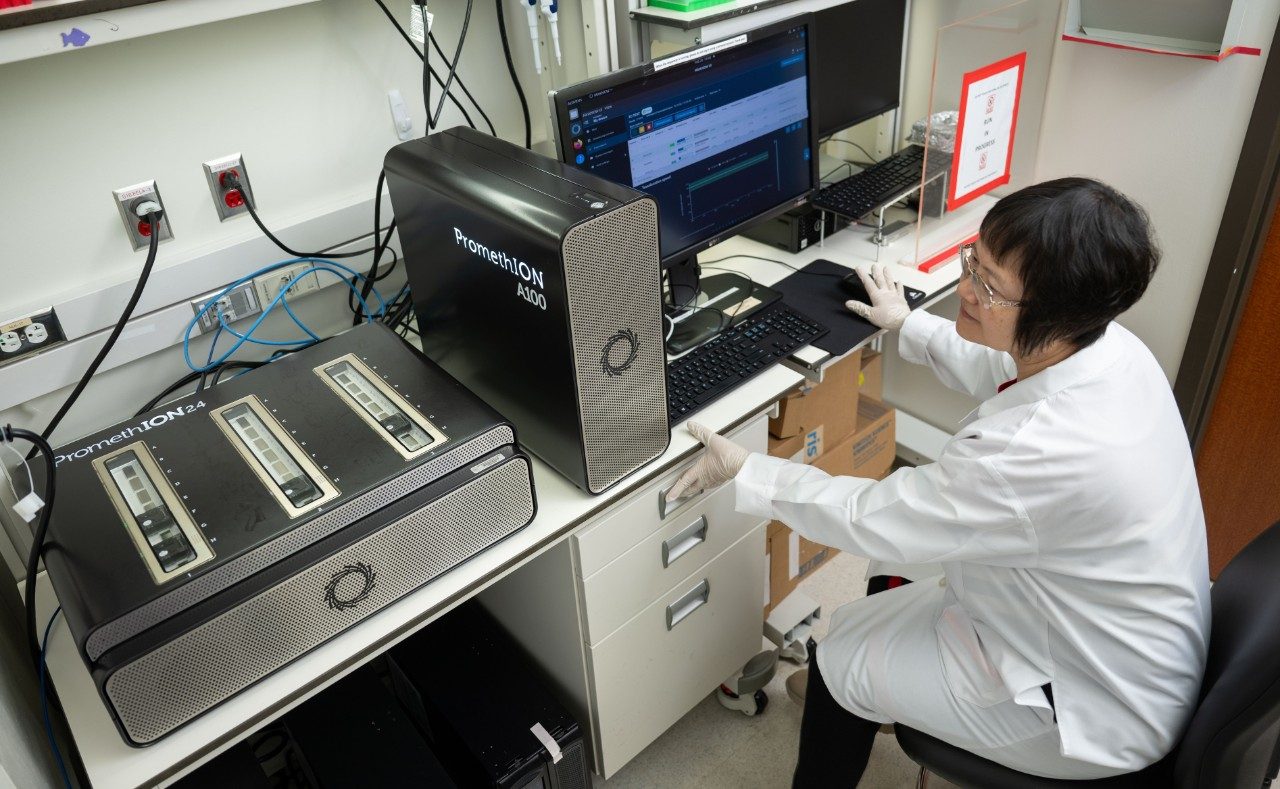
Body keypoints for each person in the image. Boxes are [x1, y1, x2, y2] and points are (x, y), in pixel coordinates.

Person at [666, 178, 1210, 785]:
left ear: (1056, 317)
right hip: (1102, 627)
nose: (968, 290)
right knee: (873, 593)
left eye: (988, 286)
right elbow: (1007, 367)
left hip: (1085, 703)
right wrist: (908, 325)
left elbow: (873, 515)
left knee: (841, 653)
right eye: (974, 262)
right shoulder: (1108, 348)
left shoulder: (1034, 453)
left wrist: (747, 470)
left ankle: (856, 697)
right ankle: (875, 696)